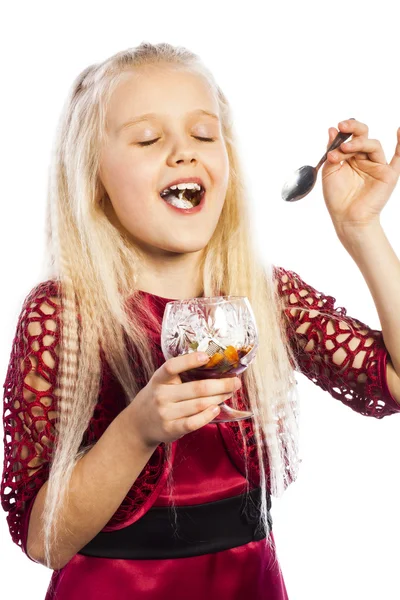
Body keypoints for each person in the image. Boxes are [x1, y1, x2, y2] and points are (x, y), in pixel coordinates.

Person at [2, 41, 400, 600]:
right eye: (147, 139)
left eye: (204, 135)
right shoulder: (62, 317)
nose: (184, 153)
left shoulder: (264, 295)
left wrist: (362, 230)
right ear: (94, 175)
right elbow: (45, 542)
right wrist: (138, 429)